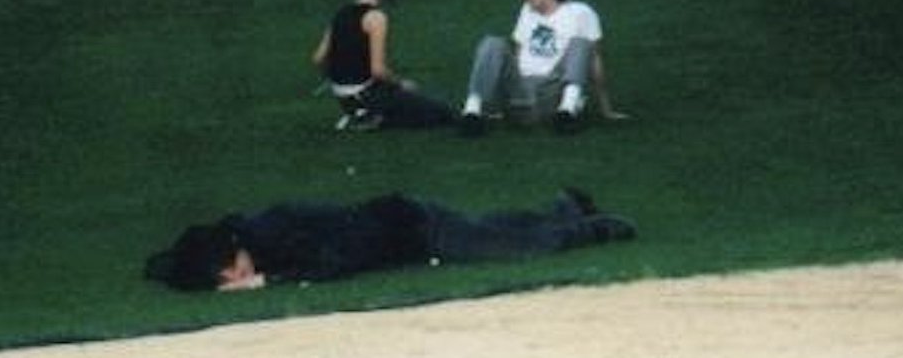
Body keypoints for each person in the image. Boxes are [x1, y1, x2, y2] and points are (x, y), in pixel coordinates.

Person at [144, 189, 636, 292]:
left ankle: (593, 227)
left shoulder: (275, 234)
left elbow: (332, 262)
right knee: (493, 228)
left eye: (234, 270)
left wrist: (269, 281)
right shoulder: (257, 234)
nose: (239, 277)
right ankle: (565, 208)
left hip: (414, 230)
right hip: (403, 223)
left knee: (520, 248)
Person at [460, 0, 627, 136]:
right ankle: (472, 113)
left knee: (580, 43)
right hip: (521, 96)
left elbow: (594, 60)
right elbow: (518, 55)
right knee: (492, 43)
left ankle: (566, 112)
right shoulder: (527, 11)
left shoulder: (581, 13)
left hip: (551, 93)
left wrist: (606, 108)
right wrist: (503, 99)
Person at [312, 0, 454, 130]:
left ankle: (359, 114)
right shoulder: (376, 18)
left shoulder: (341, 12)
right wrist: (401, 83)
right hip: (368, 94)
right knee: (440, 112)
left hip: (344, 97)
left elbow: (318, 58)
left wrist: (337, 80)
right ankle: (371, 118)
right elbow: (378, 70)